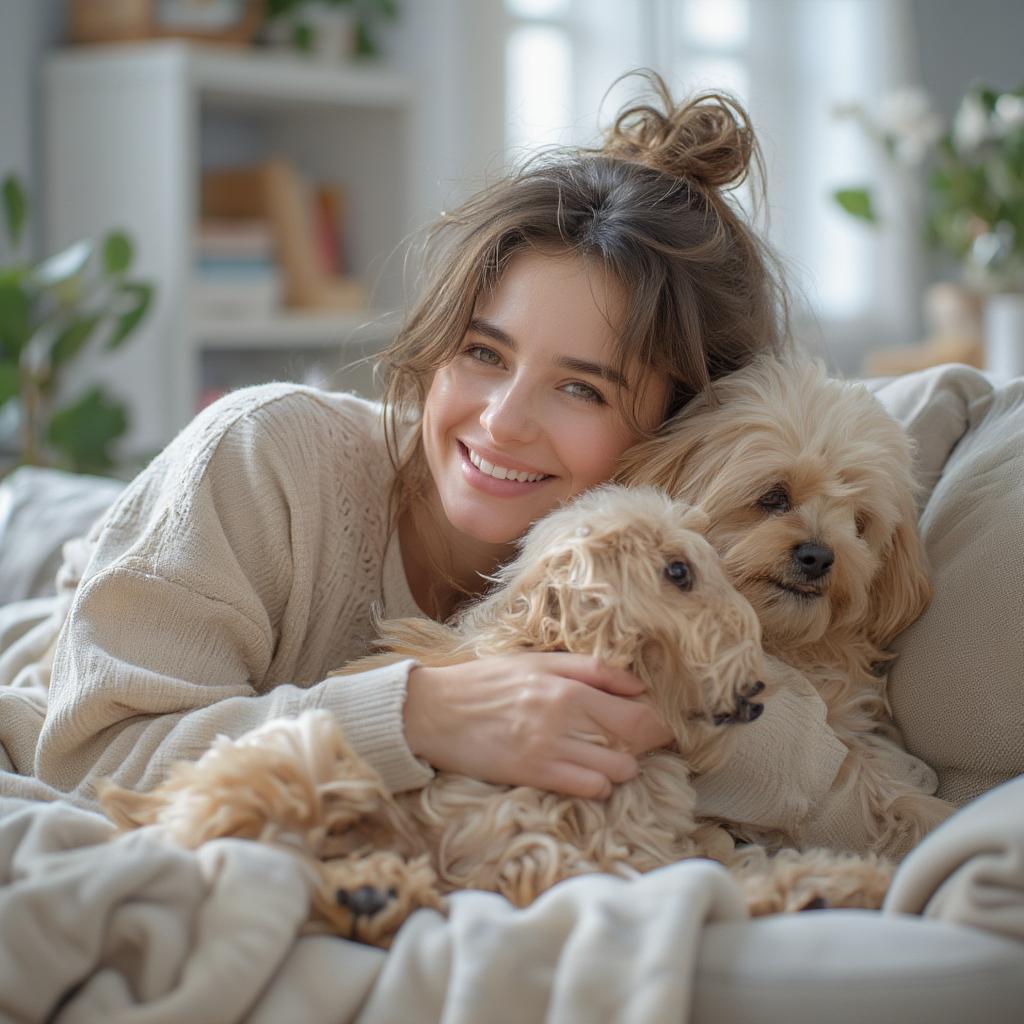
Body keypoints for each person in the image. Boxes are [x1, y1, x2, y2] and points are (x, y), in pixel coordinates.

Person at [0, 71, 793, 810]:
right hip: (80, 606)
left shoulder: (695, 574)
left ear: (676, 426)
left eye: (581, 388)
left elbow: (832, 788)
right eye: (484, 353)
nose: (502, 421)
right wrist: (416, 715)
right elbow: (90, 755)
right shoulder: (263, 454)